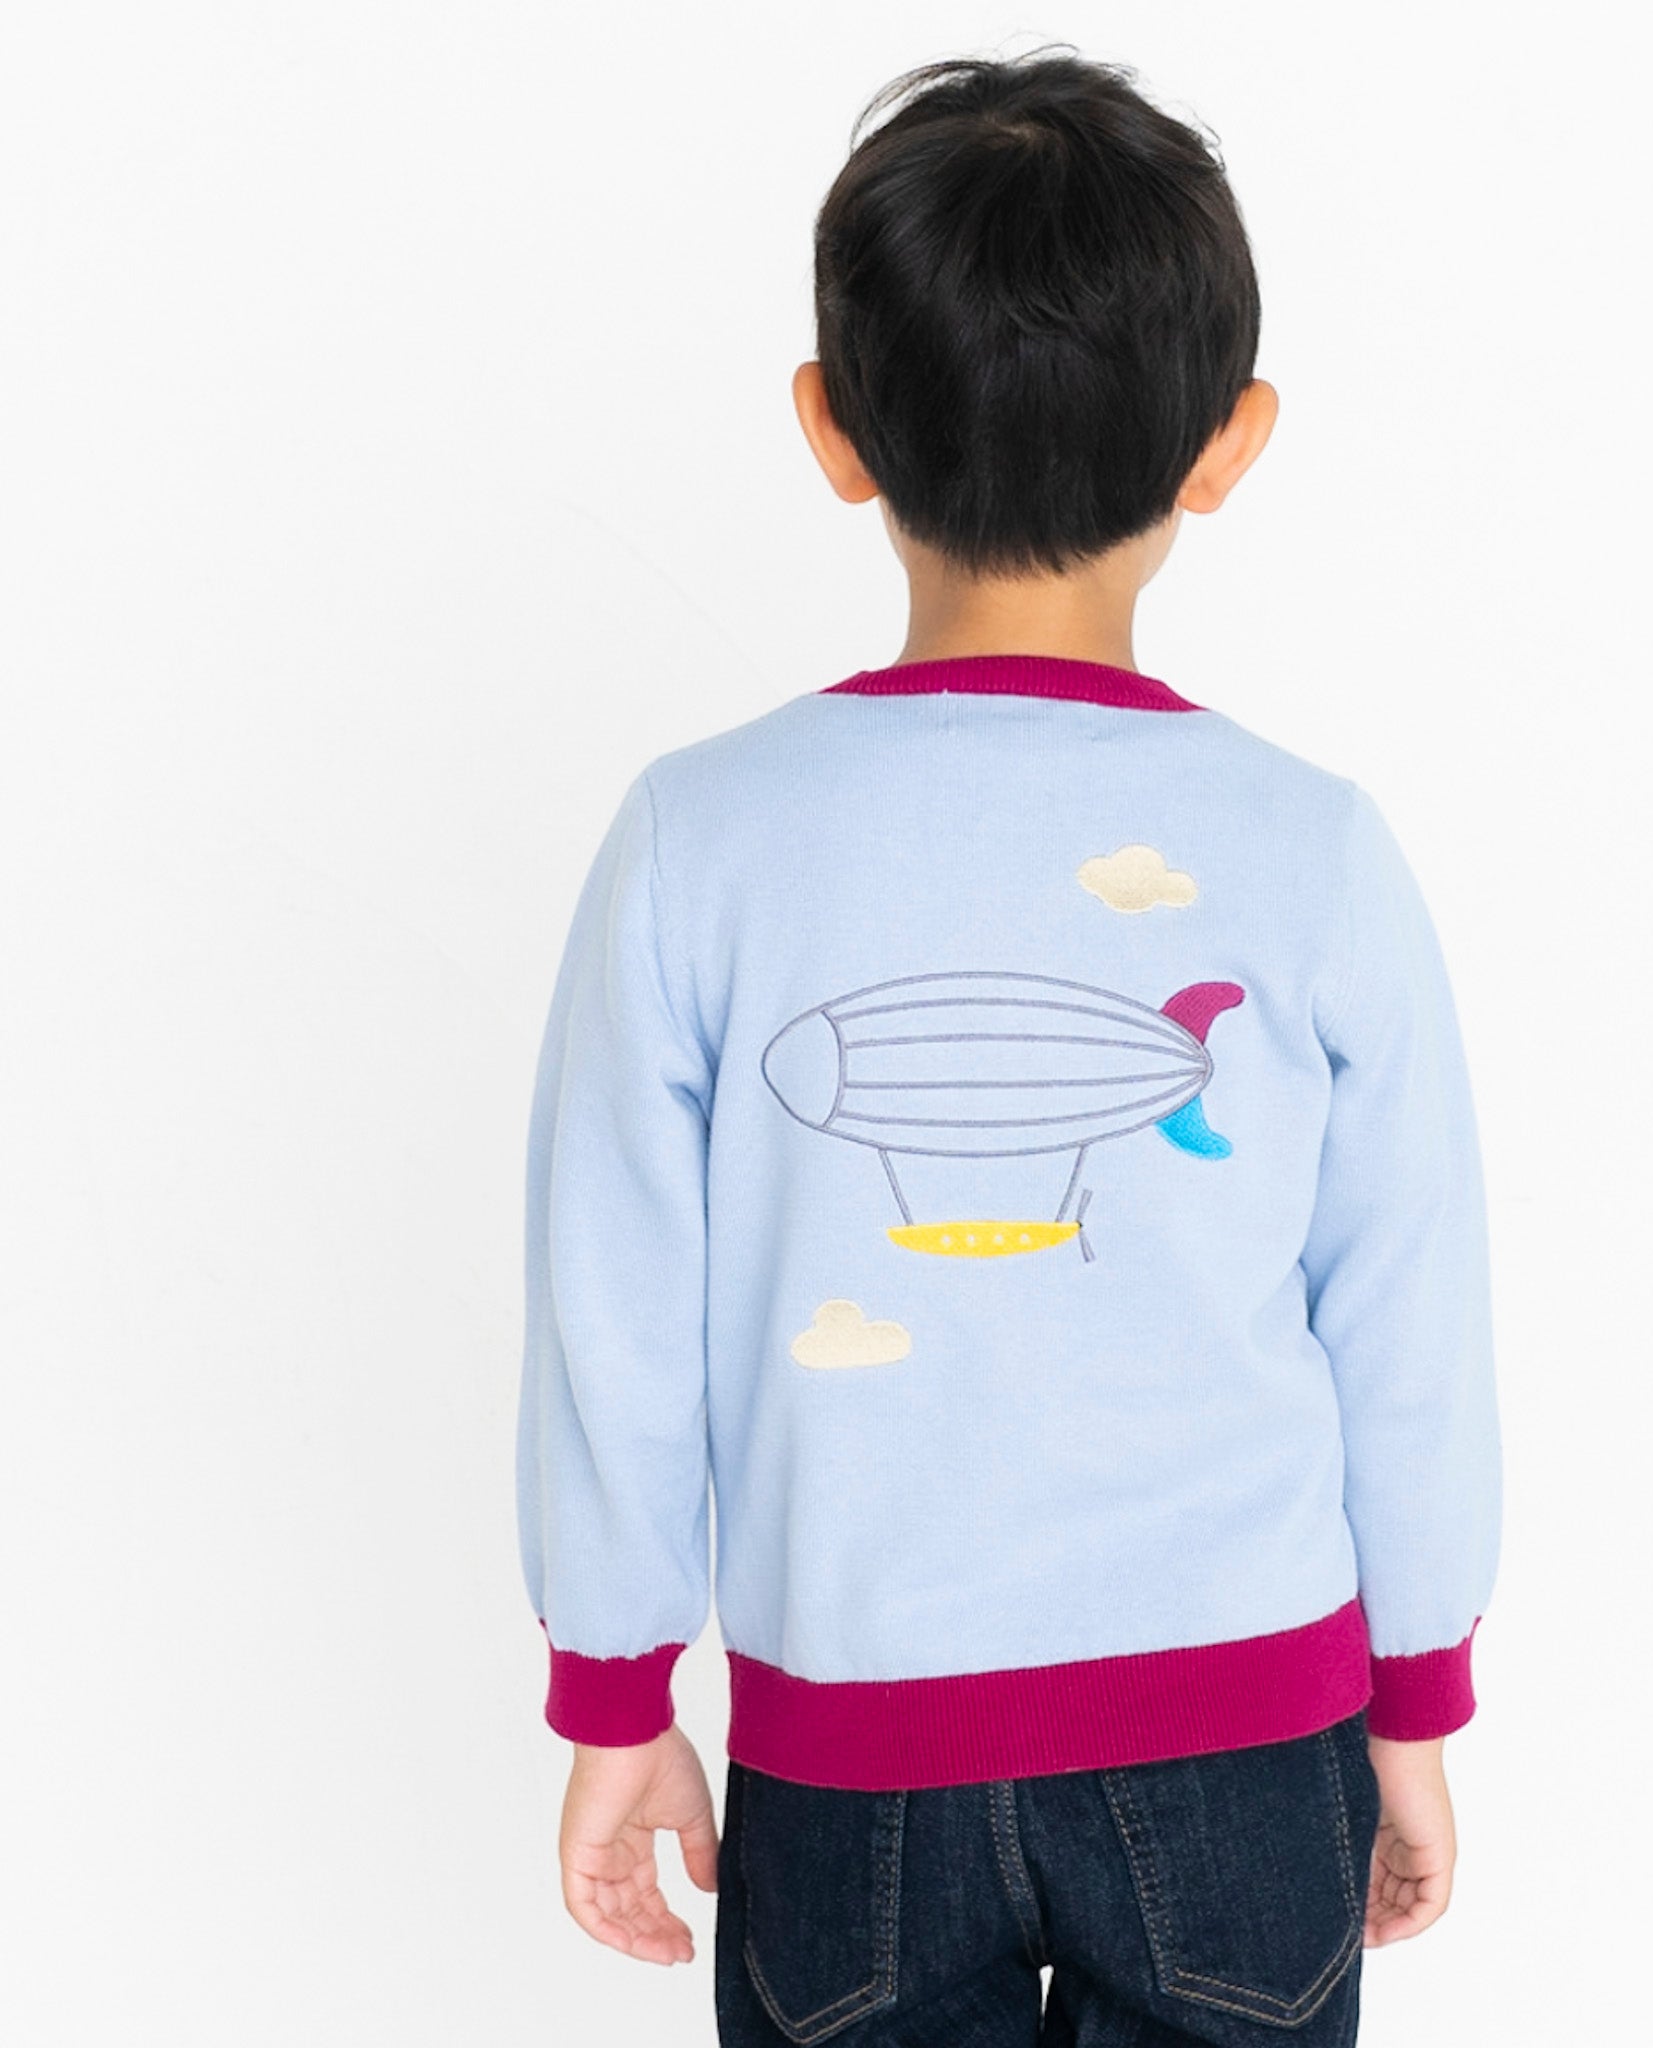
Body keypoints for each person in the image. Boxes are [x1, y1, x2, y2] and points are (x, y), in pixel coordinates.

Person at [515, 45, 1503, 2046]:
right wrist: (1414, 1693)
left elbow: (608, 1305)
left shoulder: (697, 838)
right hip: (1246, 1730)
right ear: (1227, 443)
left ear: (832, 426)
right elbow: (1408, 1317)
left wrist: (617, 1692)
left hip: (851, 1745)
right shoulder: (1310, 847)